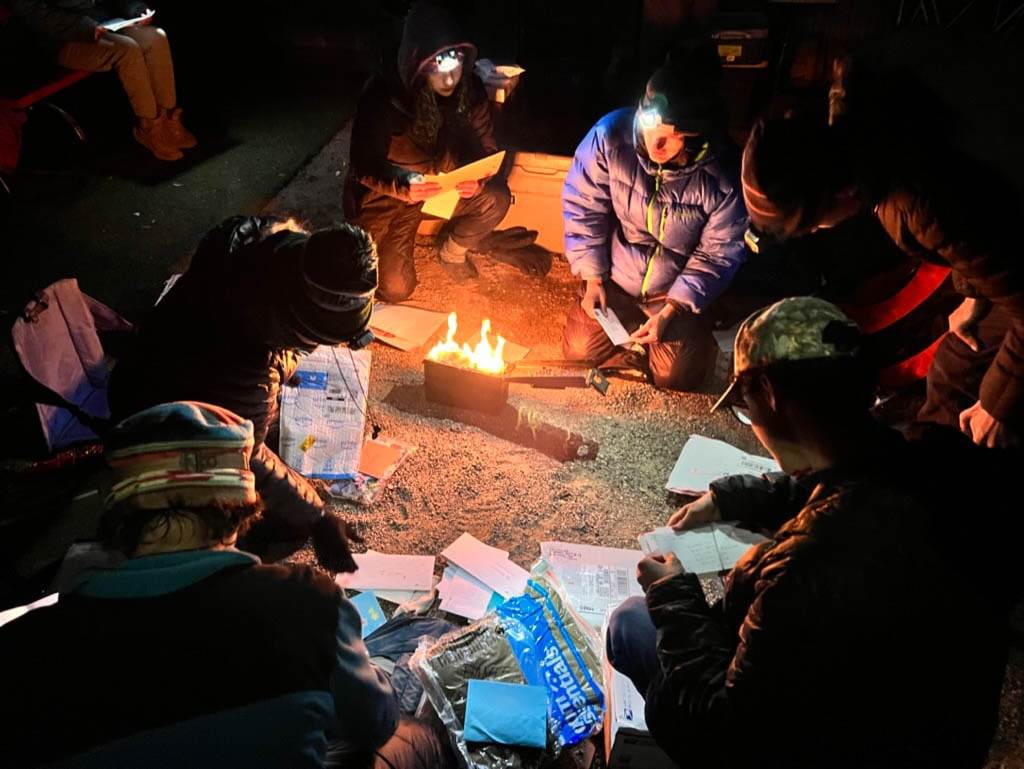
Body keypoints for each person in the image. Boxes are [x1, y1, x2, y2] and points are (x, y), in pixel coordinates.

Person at [604, 296, 1018, 769]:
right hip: (939, 732)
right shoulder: (932, 457)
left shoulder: (808, 569)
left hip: (835, 745)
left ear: (771, 397)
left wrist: (674, 595)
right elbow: (855, 479)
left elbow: (726, 726)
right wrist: (736, 497)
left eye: (744, 399)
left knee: (632, 624)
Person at [0, 401, 453, 768]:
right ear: (241, 510)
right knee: (418, 732)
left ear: (120, 513)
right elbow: (373, 723)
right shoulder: (306, 604)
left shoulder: (24, 650)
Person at [740, 76, 1024, 448]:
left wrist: (998, 405)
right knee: (954, 363)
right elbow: (981, 229)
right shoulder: (858, 118)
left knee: (981, 401)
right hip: (1008, 243)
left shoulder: (914, 204)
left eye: (813, 225)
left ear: (841, 193)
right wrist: (973, 299)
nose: (815, 233)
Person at [108, 215, 377, 573]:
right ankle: (224, 568)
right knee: (290, 518)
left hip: (156, 363)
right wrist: (318, 518)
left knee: (294, 449)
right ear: (296, 325)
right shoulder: (243, 366)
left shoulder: (263, 244)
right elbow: (245, 451)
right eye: (323, 340)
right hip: (159, 422)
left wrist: (282, 369)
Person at [560, 39, 749, 391]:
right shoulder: (610, 136)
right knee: (578, 351)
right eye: (650, 128)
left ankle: (677, 334)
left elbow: (718, 253)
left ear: (695, 138)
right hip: (616, 277)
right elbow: (583, 205)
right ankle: (631, 341)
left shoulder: (724, 176)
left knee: (675, 377)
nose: (654, 145)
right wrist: (592, 278)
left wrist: (673, 309)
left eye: (671, 137)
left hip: (672, 292)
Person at [343, 0, 548, 302]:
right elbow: (363, 163)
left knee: (496, 197)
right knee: (394, 288)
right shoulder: (382, 97)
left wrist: (476, 179)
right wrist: (403, 184)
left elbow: (486, 147)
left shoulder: (471, 90)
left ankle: (452, 251)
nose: (451, 79)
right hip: (388, 199)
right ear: (417, 63)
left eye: (456, 65)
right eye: (440, 69)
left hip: (442, 187)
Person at [8, 0, 196, 161]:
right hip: (62, 38)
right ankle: (150, 127)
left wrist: (136, 9)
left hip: (105, 23)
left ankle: (168, 120)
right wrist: (84, 27)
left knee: (156, 37)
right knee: (127, 50)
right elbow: (35, 15)